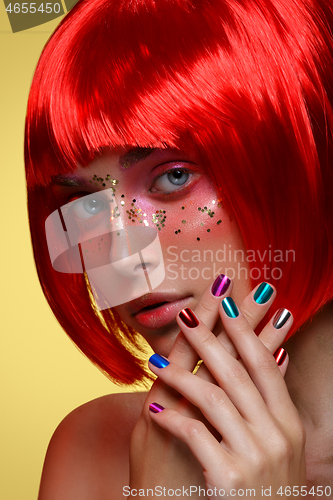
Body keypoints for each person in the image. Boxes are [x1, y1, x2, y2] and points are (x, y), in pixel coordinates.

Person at [25, 0, 333, 498]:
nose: (119, 255)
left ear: (306, 159)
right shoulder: (93, 448)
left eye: (174, 177)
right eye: (85, 203)